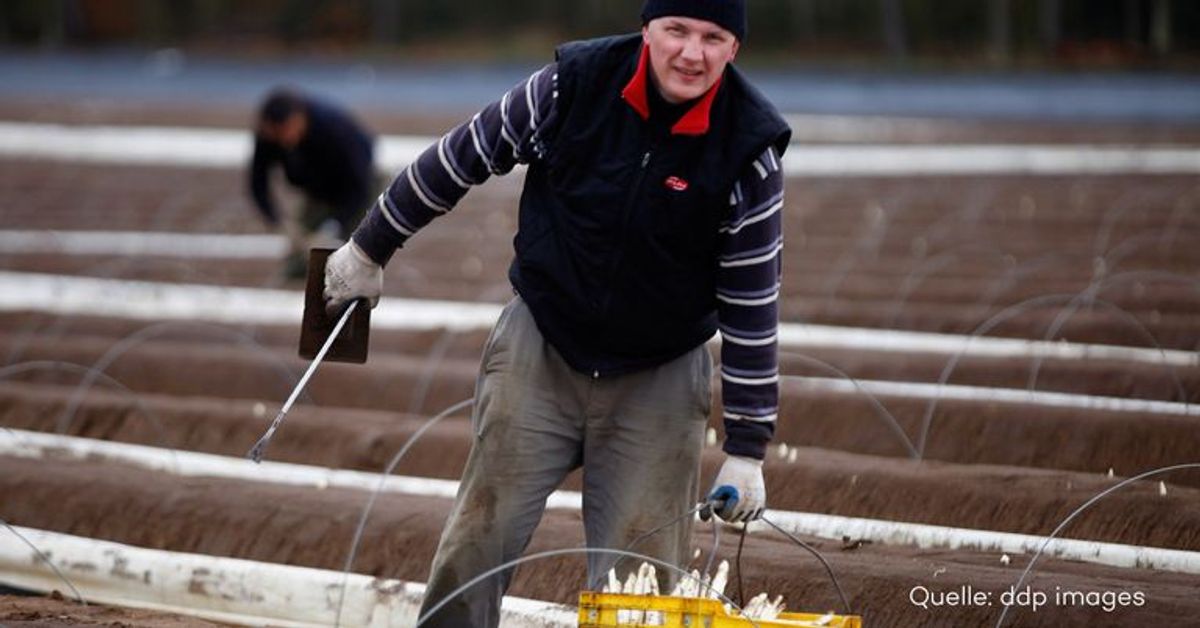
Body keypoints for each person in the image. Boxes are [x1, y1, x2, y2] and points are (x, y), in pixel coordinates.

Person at [324, 1, 790, 625]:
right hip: (542, 345)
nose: (691, 52)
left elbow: (752, 298)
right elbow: (463, 154)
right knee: (479, 540)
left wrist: (748, 447)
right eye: (676, 30)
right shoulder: (570, 84)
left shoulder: (749, 146)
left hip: (658, 371)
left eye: (712, 37)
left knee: (641, 584)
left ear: (734, 49)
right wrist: (369, 247)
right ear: (647, 29)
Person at [248, 87, 377, 279]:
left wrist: (336, 224)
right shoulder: (270, 135)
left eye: (287, 129)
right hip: (316, 193)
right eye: (278, 132)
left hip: (357, 187)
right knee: (301, 263)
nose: (285, 138)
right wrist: (276, 220)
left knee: (352, 261)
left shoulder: (334, 128)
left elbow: (360, 184)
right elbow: (258, 181)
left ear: (300, 118)